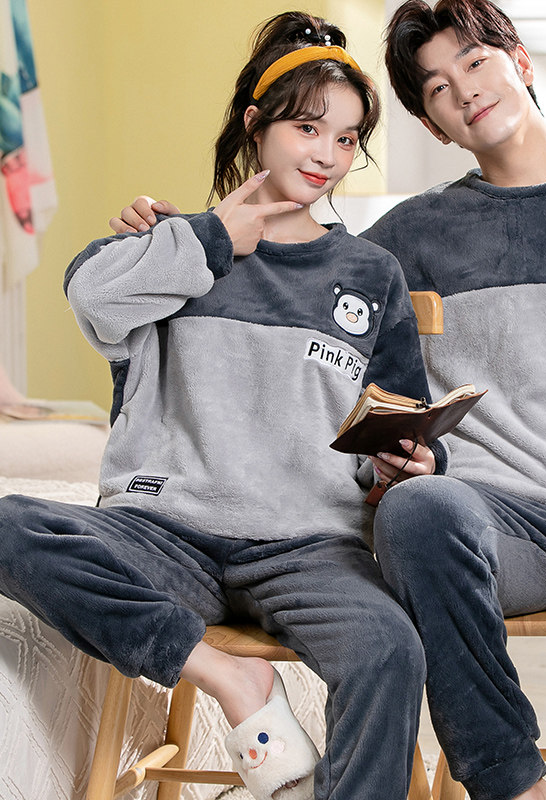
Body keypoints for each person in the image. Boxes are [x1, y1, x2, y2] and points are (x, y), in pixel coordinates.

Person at [110, 2, 546, 798]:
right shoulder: (409, 238)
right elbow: (285, 281)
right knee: (417, 510)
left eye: (475, 62)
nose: (464, 90)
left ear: (520, 62)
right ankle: (511, 782)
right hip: (496, 519)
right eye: (437, 88)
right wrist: (171, 244)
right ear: (432, 126)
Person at [0, 12, 443, 800]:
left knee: (389, 650)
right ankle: (228, 678)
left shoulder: (371, 274)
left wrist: (405, 465)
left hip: (309, 546)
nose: (327, 154)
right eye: (308, 128)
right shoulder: (172, 243)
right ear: (255, 125)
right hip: (163, 530)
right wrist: (205, 238)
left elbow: (402, 419)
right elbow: (90, 296)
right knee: (8, 526)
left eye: (346, 138)